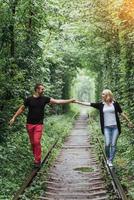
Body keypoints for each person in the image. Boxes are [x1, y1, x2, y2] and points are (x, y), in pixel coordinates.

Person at [9, 83, 74, 168]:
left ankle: (37, 160)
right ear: (36, 89)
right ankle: (36, 157)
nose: (43, 90)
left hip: (38, 124)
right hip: (29, 124)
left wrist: (70, 100)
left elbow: (57, 102)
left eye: (43, 89)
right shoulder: (29, 99)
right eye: (42, 89)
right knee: (32, 143)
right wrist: (14, 117)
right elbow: (22, 108)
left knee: (36, 141)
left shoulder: (44, 99)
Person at [75, 89, 133, 167]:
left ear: (108, 95)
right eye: (102, 94)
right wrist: (77, 101)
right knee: (107, 144)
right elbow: (89, 104)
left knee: (113, 144)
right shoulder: (101, 105)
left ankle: (110, 160)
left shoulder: (115, 104)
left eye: (103, 94)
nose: (102, 95)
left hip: (115, 127)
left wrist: (129, 121)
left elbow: (121, 113)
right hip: (106, 127)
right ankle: (108, 158)